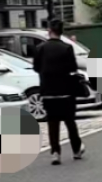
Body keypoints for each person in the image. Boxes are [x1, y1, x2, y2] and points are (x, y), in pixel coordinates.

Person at [32, 19, 85, 164]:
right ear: (61, 32)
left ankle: (55, 152)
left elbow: (36, 67)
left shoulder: (40, 48)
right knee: (70, 121)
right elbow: (72, 68)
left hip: (48, 91)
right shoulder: (67, 48)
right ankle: (76, 149)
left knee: (52, 123)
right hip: (65, 90)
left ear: (49, 31)